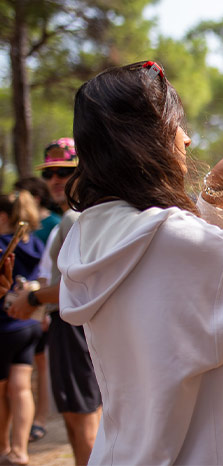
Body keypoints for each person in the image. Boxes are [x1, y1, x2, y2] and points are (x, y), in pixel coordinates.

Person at [57, 60, 223, 464]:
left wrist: (215, 184)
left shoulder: (88, 233)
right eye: (175, 125)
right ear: (148, 138)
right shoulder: (169, 238)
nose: (187, 139)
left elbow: (173, 270)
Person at [7, 138, 101, 465]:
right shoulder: (71, 217)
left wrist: (31, 297)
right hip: (66, 324)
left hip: (75, 326)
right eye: (49, 174)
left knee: (84, 420)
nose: (55, 180)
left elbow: (81, 285)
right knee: (77, 418)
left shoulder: (78, 218)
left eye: (65, 171)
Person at [10, 177, 58, 444]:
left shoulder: (53, 225)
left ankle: (37, 421)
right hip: (34, 311)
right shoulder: (34, 237)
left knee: (23, 377)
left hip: (28, 313)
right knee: (26, 377)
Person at [0, 190, 44, 466]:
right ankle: (20, 450)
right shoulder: (35, 243)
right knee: (22, 387)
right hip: (29, 323)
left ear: (3, 216)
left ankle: (3, 446)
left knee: (3, 388)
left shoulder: (4, 244)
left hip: (5, 324)